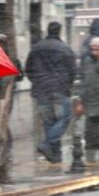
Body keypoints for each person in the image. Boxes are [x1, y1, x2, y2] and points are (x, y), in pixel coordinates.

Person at [25, 21, 77, 163]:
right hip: (60, 89)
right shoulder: (65, 49)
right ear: (59, 31)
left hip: (41, 89)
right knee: (65, 118)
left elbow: (28, 69)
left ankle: (55, 154)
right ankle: (48, 144)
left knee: (49, 121)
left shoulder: (36, 48)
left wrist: (37, 81)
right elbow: (73, 71)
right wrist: (67, 84)